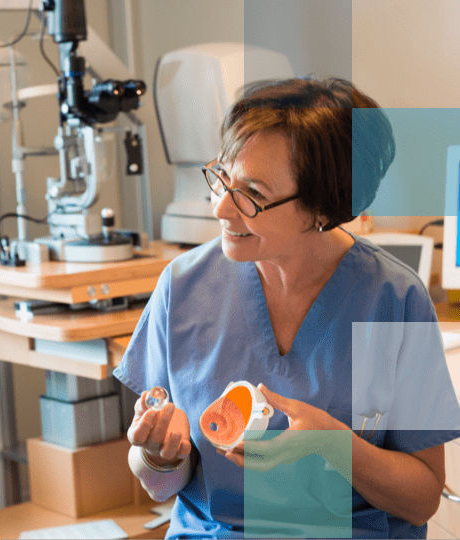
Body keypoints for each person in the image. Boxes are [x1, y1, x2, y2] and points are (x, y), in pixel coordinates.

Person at [115, 77, 460, 539]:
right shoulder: (184, 287)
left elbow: (421, 501)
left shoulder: (391, 300)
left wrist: (334, 446)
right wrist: (158, 455)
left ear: (325, 208)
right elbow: (161, 484)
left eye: (253, 194)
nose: (221, 209)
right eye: (223, 178)